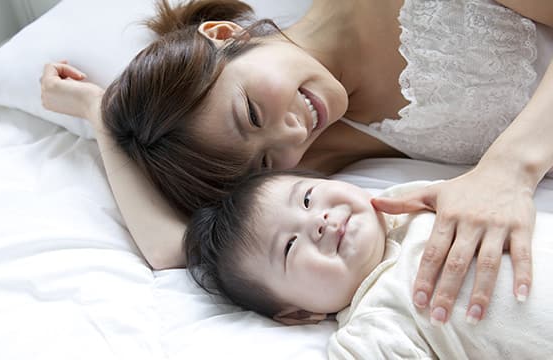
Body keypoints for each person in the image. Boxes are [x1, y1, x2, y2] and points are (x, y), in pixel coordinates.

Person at [39, 0, 553, 326]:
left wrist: (508, 169)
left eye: (251, 112)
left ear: (224, 35)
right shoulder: (320, 151)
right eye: (266, 160)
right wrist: (99, 114)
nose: (292, 134)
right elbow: (176, 248)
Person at [183, 170, 553, 359]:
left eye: (308, 198)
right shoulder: (372, 330)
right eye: (290, 246)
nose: (319, 222)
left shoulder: (415, 200)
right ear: (297, 314)